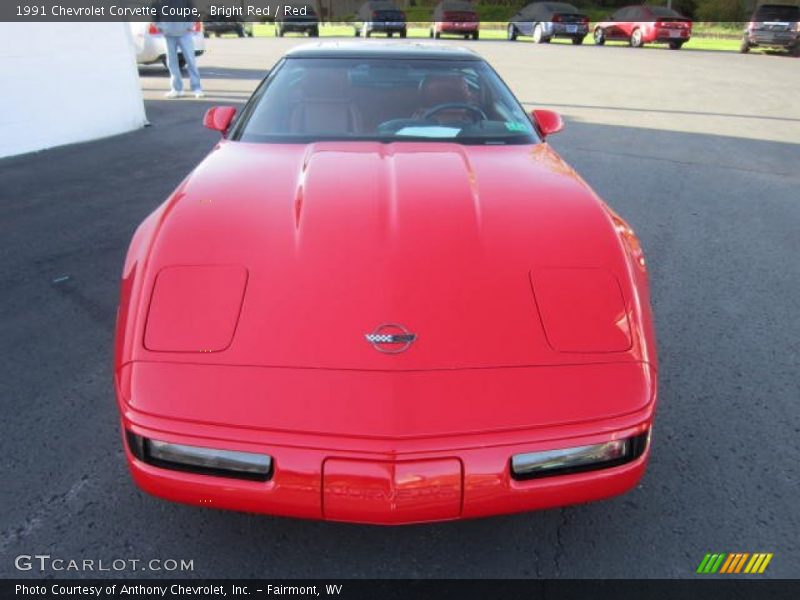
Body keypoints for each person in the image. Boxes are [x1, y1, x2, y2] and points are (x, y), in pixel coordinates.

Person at [152, 0, 204, 98]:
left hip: (185, 34)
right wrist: (160, 27)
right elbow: (154, 14)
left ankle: (196, 88)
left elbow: (192, 11)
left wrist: (189, 25)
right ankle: (177, 89)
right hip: (168, 35)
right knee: (172, 63)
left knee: (191, 61)